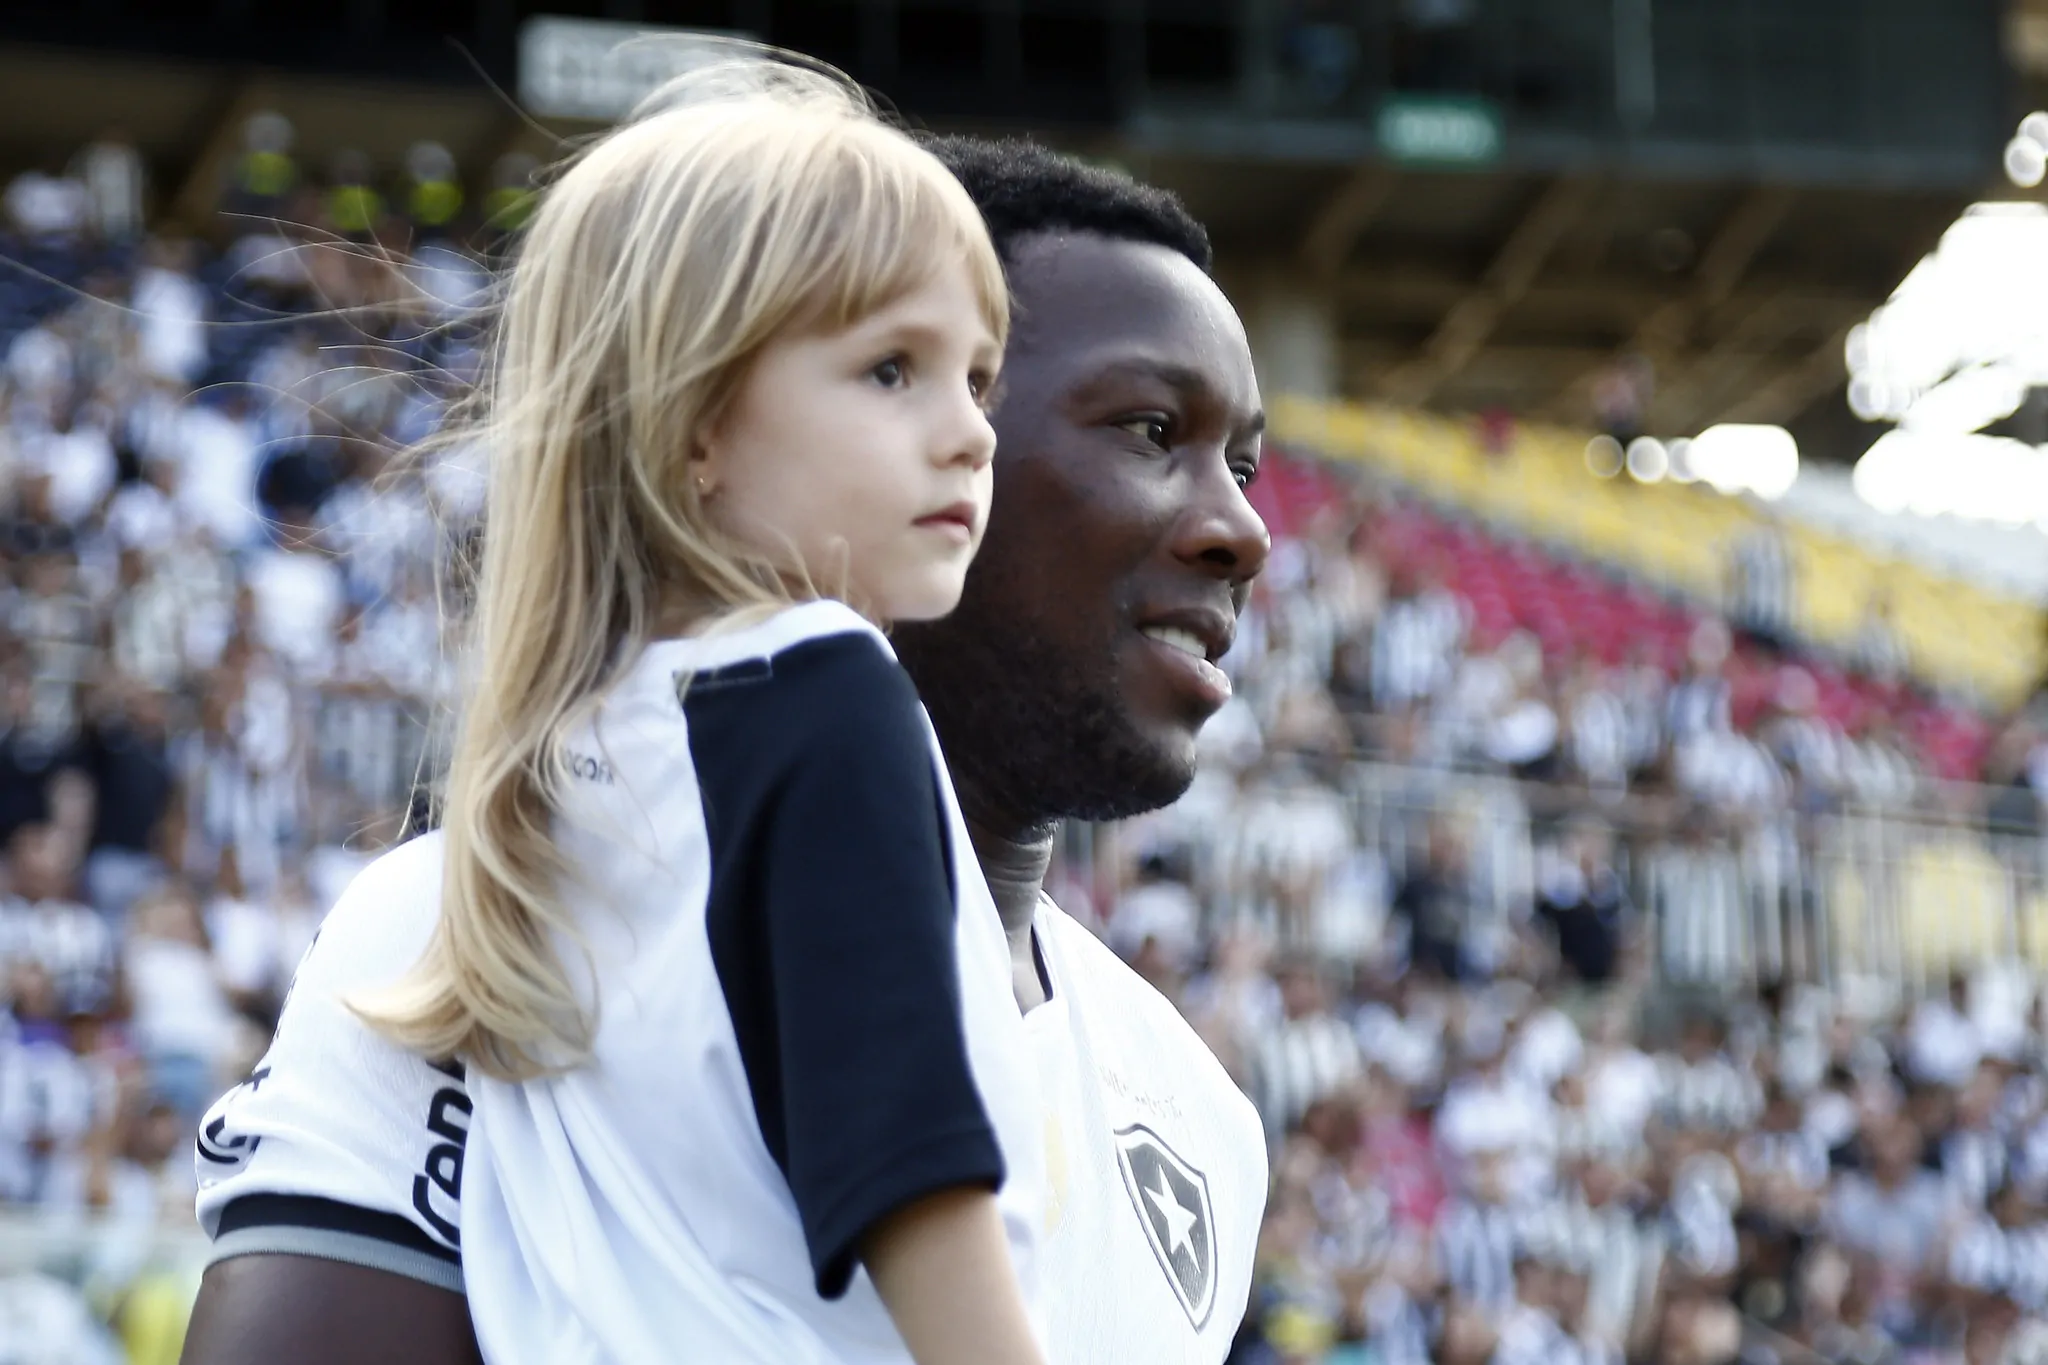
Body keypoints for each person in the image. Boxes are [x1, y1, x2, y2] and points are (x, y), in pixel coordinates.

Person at [182, 131, 1272, 1364]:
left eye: (1243, 463)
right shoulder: (478, 932)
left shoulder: (1198, 1122)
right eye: (1145, 429)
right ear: (703, 422)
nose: (1242, 527)